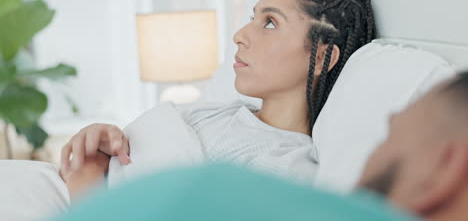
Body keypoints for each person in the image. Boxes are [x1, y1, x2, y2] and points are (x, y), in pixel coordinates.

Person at [60, 0, 376, 201]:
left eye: (269, 22)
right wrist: (101, 147)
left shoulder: (283, 172)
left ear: (321, 57)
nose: (240, 36)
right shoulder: (216, 112)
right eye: (252, 18)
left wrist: (85, 181)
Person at [52, 72, 468, 221]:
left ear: (445, 168)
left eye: (391, 135)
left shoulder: (214, 188)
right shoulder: (218, 115)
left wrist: (85, 184)